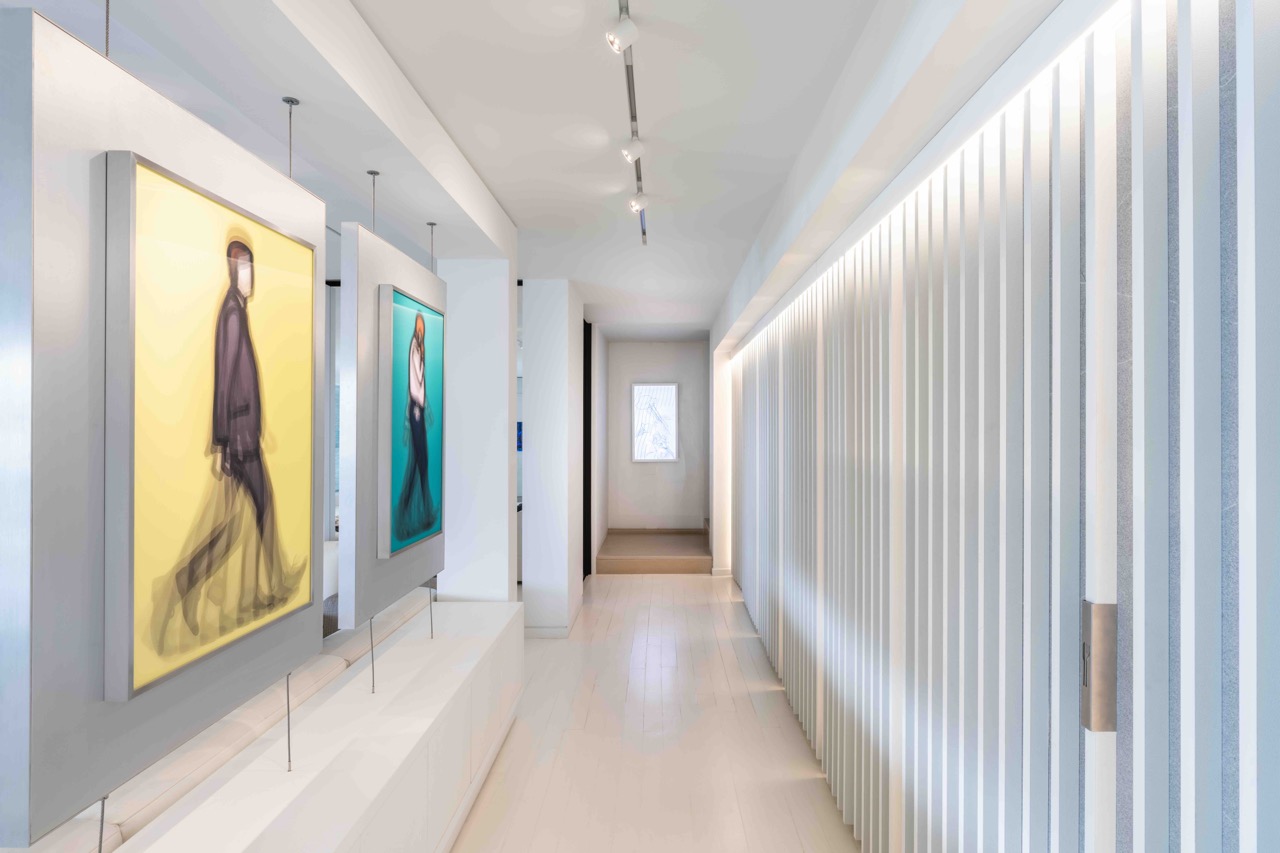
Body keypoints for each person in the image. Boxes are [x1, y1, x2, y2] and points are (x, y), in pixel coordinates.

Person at [152, 239, 303, 652]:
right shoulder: (232, 312)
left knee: (241, 521)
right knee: (256, 511)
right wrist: (222, 442)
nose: (251, 277)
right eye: (244, 269)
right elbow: (224, 379)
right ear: (234, 272)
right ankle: (257, 584)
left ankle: (201, 586)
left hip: (243, 434)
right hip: (238, 439)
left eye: (252, 268)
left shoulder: (238, 309)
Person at [395, 311, 437, 539]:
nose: (421, 331)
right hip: (415, 412)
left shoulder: (418, 349)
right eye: (420, 327)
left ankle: (420, 512)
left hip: (417, 410)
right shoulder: (415, 348)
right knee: (418, 464)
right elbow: (416, 383)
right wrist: (418, 411)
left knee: (420, 464)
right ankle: (413, 513)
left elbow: (420, 385)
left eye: (422, 328)